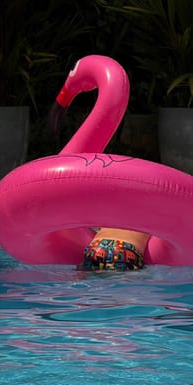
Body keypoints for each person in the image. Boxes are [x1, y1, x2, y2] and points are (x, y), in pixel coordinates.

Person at [47, 99, 150, 271]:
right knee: (123, 293)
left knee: (84, 276)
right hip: (125, 251)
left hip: (97, 247)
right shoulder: (147, 214)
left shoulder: (111, 213)